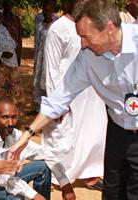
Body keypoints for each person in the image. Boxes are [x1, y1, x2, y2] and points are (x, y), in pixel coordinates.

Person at [8, 0, 138, 199]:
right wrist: (27, 134)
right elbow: (59, 99)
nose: (83, 44)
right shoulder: (88, 57)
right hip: (117, 131)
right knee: (112, 191)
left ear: (109, 29)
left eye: (86, 37)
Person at [41, 0, 107, 190]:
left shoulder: (91, 23)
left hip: (92, 91)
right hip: (67, 92)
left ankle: (91, 175)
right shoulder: (58, 28)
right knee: (65, 136)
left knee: (95, 132)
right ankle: (60, 178)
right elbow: (52, 68)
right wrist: (56, 102)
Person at [0, 97, 76, 200]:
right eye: (5, 117)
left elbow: (44, 153)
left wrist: (65, 184)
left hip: (7, 179)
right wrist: (35, 196)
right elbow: (0, 177)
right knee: (18, 197)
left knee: (43, 167)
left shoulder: (14, 134)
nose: (11, 122)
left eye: (14, 117)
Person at [29, 0, 57, 115]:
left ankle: (47, 108)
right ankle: (36, 106)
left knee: (48, 80)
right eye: (45, 10)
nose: (46, 12)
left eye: (49, 10)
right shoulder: (39, 19)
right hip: (39, 56)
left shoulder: (56, 22)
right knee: (37, 80)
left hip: (50, 57)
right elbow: (37, 37)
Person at [2, 0, 22, 65]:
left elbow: (19, 37)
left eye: (10, 4)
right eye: (7, 4)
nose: (8, 6)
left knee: (13, 74)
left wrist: (19, 55)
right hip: (2, 53)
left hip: (14, 52)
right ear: (3, 6)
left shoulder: (16, 19)